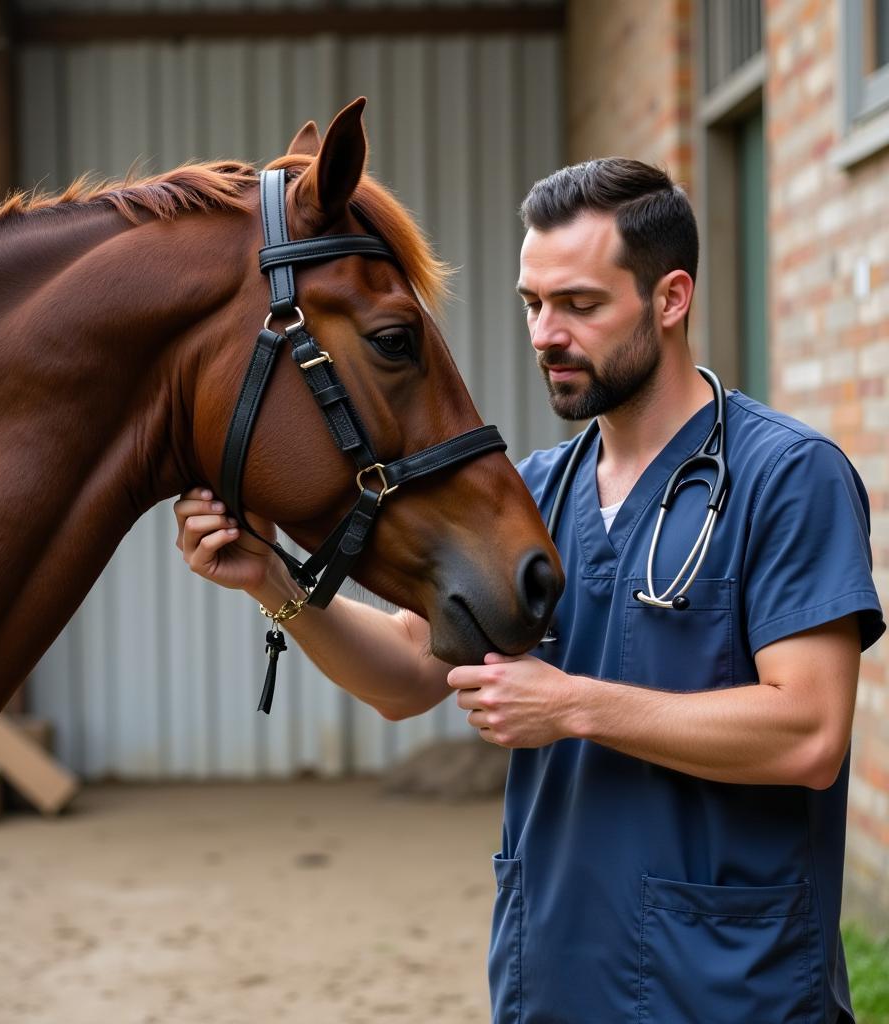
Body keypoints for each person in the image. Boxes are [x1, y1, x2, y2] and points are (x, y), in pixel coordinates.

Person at [173, 158, 884, 1023]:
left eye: (580, 305)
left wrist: (574, 707)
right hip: (553, 983)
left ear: (670, 300)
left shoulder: (785, 476)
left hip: (731, 991)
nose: (547, 333)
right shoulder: (535, 491)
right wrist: (274, 581)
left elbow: (808, 733)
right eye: (533, 305)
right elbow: (408, 672)